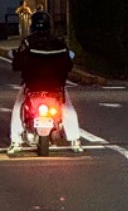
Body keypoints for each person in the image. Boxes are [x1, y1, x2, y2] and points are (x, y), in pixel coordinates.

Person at [7, 24, 82, 155]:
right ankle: (75, 140)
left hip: (32, 85)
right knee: (67, 107)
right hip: (56, 86)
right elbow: (68, 65)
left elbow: (17, 63)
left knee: (18, 106)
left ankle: (15, 142)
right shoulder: (59, 43)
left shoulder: (28, 42)